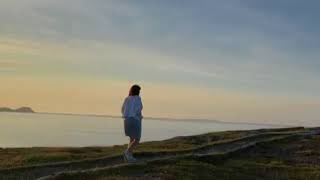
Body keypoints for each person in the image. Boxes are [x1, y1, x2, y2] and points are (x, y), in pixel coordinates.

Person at [121, 84, 143, 162]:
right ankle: (127, 152)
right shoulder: (138, 98)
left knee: (131, 138)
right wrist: (138, 116)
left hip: (127, 120)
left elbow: (122, 109)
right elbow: (139, 108)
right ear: (137, 91)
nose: (140, 92)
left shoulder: (127, 99)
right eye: (139, 91)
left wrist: (126, 115)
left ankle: (129, 156)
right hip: (135, 120)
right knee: (137, 139)